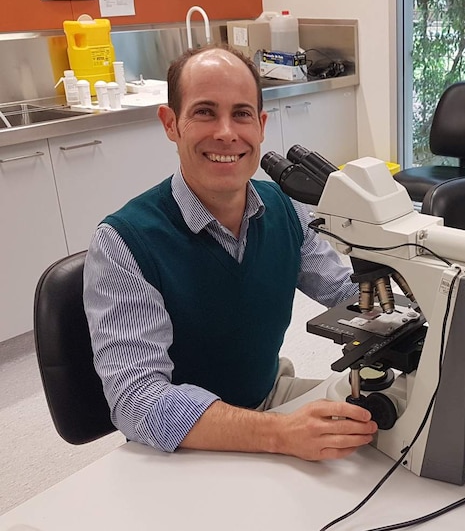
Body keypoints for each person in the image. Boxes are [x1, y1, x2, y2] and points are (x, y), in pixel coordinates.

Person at [83, 44, 377, 460]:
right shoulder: (124, 243)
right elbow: (138, 401)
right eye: (204, 111)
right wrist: (278, 434)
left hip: (270, 394)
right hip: (186, 442)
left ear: (260, 125)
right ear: (171, 124)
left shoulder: (287, 208)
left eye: (241, 114)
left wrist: (423, 291)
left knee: (381, 443)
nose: (226, 132)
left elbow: (347, 295)